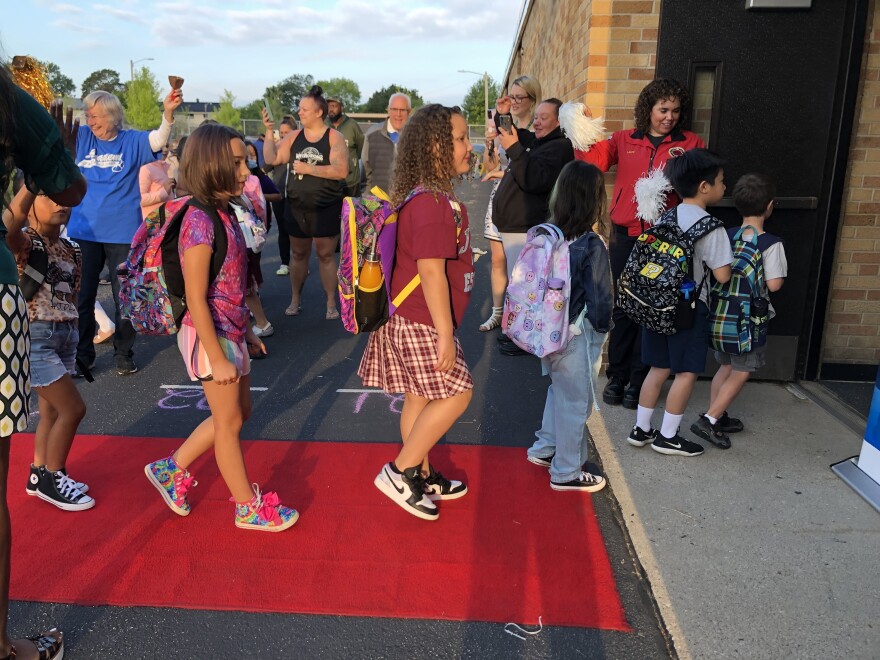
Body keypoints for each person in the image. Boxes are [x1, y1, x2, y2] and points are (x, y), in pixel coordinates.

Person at [144, 123, 298, 532]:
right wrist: (216, 355)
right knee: (228, 423)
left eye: (245, 161)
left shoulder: (227, 212)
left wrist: (246, 329)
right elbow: (196, 297)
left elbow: (233, 280)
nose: (246, 171)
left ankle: (170, 468)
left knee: (239, 413)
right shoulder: (197, 220)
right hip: (207, 333)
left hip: (230, 329)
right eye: (236, 163)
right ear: (210, 164)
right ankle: (247, 506)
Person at [1, 61, 86, 660]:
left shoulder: (63, 248)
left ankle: (45, 472)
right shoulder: (9, 102)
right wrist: (49, 157)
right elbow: (69, 185)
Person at [358, 104, 474, 521]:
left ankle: (422, 474)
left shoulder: (424, 195)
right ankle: (401, 470)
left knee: (419, 397)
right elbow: (430, 271)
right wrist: (446, 332)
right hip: (422, 319)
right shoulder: (431, 203)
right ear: (436, 147)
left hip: (407, 316)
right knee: (458, 393)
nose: (469, 146)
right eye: (460, 138)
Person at [576, 78, 704, 409]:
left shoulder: (689, 143)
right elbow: (592, 162)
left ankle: (639, 380)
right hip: (626, 234)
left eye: (676, 111)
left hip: (665, 240)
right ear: (648, 109)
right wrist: (580, 127)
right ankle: (617, 376)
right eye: (663, 110)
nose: (669, 117)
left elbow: (697, 185)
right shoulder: (624, 139)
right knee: (624, 307)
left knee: (651, 308)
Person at [65, 86, 182, 377]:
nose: (90, 121)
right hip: (84, 230)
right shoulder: (82, 137)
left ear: (113, 116)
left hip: (122, 233)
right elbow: (55, 135)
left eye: (95, 116)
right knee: (82, 297)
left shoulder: (131, 141)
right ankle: (83, 355)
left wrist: (167, 113)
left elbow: (158, 138)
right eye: (87, 115)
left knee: (125, 298)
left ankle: (123, 353)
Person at [627, 149, 732, 458]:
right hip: (689, 308)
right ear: (704, 186)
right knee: (686, 372)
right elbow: (723, 275)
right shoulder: (712, 227)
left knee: (657, 367)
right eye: (722, 181)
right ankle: (668, 436)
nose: (724, 187)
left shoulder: (665, 216)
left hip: (656, 304)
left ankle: (641, 429)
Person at [3, 181, 94, 512]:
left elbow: (74, 295)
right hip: (37, 337)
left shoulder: (74, 248)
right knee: (74, 408)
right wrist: (30, 186)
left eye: (63, 197)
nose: (60, 203)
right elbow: (9, 226)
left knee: (53, 411)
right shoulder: (26, 243)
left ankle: (39, 471)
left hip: (65, 335)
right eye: (48, 196)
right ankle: (53, 477)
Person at [526, 161, 613, 492]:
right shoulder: (591, 244)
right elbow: (600, 299)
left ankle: (545, 448)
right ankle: (567, 471)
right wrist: (604, 329)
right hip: (577, 335)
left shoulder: (549, 235)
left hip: (547, 332)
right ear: (594, 201)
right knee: (578, 403)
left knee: (558, 392)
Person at [691, 173, 787, 448]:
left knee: (725, 365)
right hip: (749, 322)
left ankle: (717, 414)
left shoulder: (726, 235)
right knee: (743, 369)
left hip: (722, 315)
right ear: (770, 206)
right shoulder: (771, 243)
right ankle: (709, 419)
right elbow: (775, 284)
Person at [493, 96, 574, 355]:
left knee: (527, 289)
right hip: (513, 226)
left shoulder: (559, 147)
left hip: (524, 227)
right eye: (536, 117)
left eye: (543, 118)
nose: (536, 123)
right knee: (522, 288)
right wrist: (503, 115)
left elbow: (534, 179)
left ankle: (524, 336)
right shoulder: (541, 142)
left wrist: (516, 149)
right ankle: (518, 331)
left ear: (559, 121)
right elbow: (515, 136)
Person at [262, 86, 348, 319]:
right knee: (298, 255)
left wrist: (310, 168)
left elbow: (341, 170)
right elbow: (271, 158)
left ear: (319, 112)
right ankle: (295, 300)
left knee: (326, 255)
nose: (300, 112)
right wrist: (269, 132)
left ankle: (331, 303)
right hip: (297, 207)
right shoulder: (293, 137)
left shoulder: (334, 137)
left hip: (325, 207)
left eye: (305, 109)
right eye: (299, 108)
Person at [479, 75, 541, 333]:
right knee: (497, 260)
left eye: (519, 97)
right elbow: (489, 167)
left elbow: (531, 169)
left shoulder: (537, 130)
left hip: (522, 202)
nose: (514, 102)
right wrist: (490, 142)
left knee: (522, 265)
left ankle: (521, 317)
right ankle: (497, 312)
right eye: (511, 97)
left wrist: (503, 172)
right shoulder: (503, 124)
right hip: (500, 197)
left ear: (532, 99)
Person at [243, 140, 281, 339]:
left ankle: (260, 322)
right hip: (249, 236)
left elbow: (276, 195)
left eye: (249, 157)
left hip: (252, 235)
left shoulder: (256, 179)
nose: (245, 165)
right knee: (246, 279)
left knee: (247, 278)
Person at [362, 93, 412, 192]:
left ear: (409, 112)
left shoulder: (417, 136)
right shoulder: (372, 134)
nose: (398, 114)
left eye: (402, 110)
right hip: (377, 202)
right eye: (394, 109)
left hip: (407, 201)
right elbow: (365, 171)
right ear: (388, 110)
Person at [269, 116, 295, 277]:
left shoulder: (300, 150)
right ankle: (285, 262)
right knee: (283, 230)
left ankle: (299, 261)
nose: (285, 135)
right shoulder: (277, 149)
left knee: (297, 232)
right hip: (279, 196)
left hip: (295, 196)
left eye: (288, 132)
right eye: (282, 132)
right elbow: (264, 167)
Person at [326, 96, 365, 196]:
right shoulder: (323, 125)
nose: (331, 109)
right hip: (329, 181)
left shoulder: (352, 125)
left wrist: (352, 162)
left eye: (334, 106)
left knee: (351, 211)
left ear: (341, 108)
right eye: (329, 106)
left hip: (351, 182)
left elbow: (362, 149)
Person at [139, 144, 175, 218]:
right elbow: (140, 199)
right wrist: (164, 193)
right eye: (161, 146)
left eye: (167, 146)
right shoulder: (146, 168)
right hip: (152, 222)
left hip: (167, 219)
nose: (165, 150)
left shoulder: (168, 166)